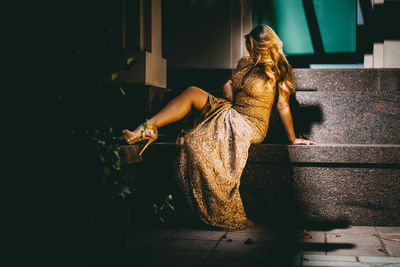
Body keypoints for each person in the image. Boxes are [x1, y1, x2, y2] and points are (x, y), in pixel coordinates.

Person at [123, 25, 315, 230]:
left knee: (196, 142)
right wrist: (228, 85)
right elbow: (231, 81)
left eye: (252, 48)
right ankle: (145, 129)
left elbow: (282, 106)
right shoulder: (245, 62)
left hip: (251, 123)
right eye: (248, 47)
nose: (249, 52)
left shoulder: (278, 70)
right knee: (192, 92)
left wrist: (293, 139)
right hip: (231, 110)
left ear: (263, 47)